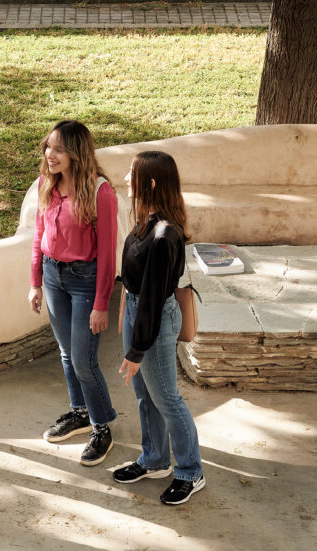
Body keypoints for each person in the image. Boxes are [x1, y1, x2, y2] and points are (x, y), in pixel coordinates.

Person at [113, 150, 205, 505]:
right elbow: (133, 282)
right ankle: (154, 460)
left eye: (131, 173)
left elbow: (153, 296)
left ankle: (190, 471)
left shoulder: (166, 234)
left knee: (167, 398)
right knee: (144, 394)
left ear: (150, 182)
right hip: (137, 313)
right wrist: (125, 317)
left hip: (154, 319)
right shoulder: (144, 221)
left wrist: (137, 350)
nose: (125, 178)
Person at [28, 120, 118, 466]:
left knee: (83, 359)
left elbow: (109, 254)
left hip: (85, 280)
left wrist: (101, 303)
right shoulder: (45, 185)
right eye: (48, 146)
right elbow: (39, 236)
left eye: (59, 149)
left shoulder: (100, 192)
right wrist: (35, 281)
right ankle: (79, 411)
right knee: (67, 354)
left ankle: (103, 424)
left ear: (76, 153)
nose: (50, 154)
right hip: (53, 276)